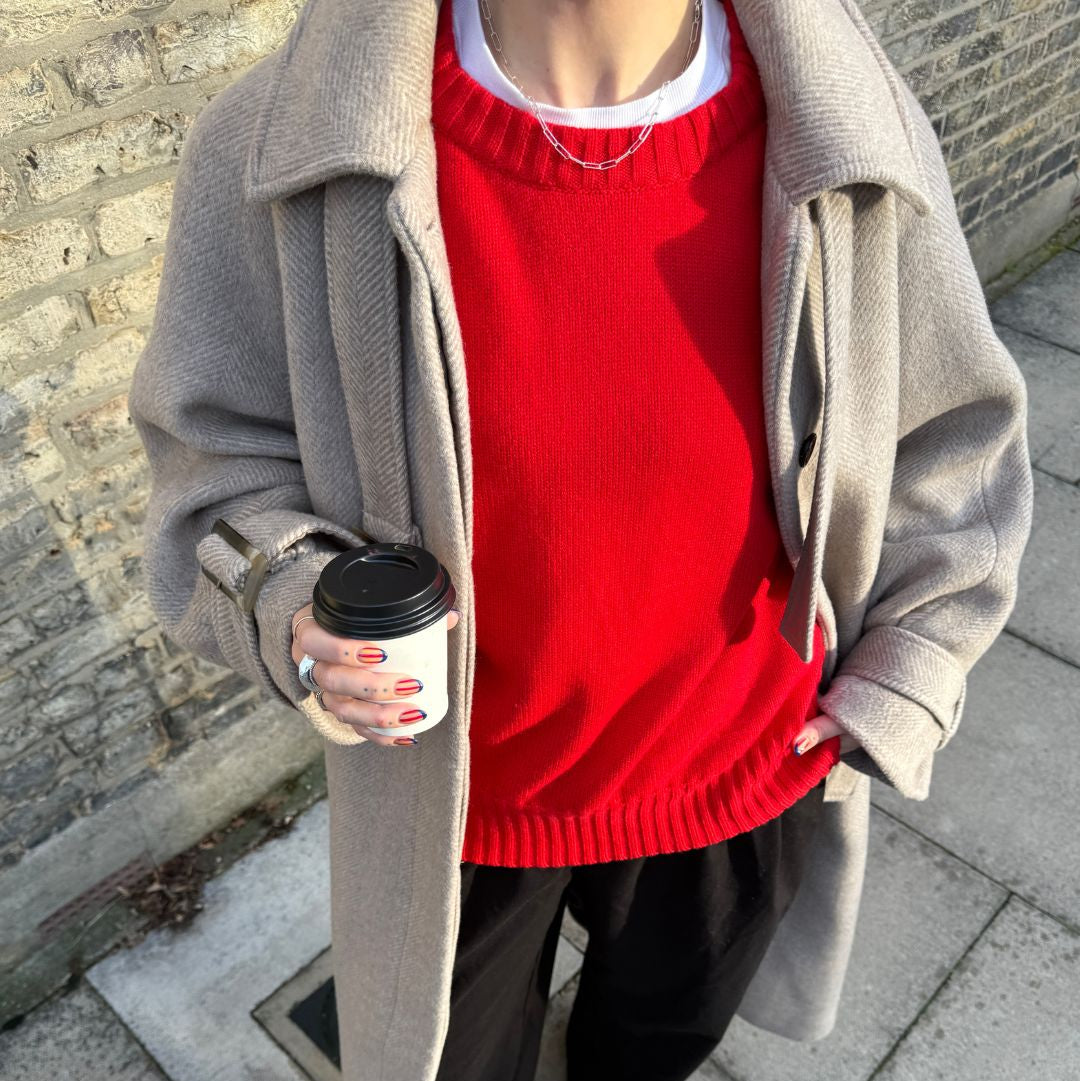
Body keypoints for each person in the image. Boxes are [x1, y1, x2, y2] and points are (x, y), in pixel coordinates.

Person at [128, 0, 1034, 1079]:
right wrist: (293, 599)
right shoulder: (286, 138)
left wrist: (910, 674)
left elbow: (954, 436)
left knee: (647, 1055)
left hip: (749, 772)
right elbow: (214, 466)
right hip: (457, 809)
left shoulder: (845, 121)